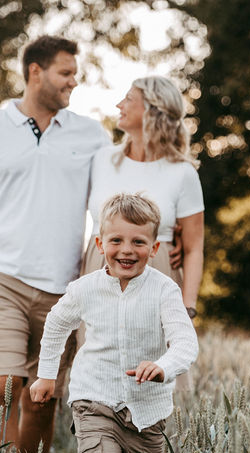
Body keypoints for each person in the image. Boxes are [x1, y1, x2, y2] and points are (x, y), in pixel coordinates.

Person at [0, 35, 109, 453]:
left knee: (40, 402)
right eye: (65, 73)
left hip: (65, 289)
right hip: (1, 278)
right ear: (35, 72)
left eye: (75, 74)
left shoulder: (92, 134)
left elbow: (112, 202)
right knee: (4, 387)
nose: (73, 82)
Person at [29, 193, 199, 453]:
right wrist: (47, 375)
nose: (127, 250)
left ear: (155, 248)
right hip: (94, 398)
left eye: (139, 242)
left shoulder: (164, 290)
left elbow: (185, 343)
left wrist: (162, 366)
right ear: (100, 243)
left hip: (147, 408)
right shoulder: (84, 289)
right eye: (117, 240)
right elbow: (57, 324)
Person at [83, 76, 205, 320]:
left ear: (152, 110)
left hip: (157, 274)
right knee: (94, 355)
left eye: (128, 99)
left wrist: (187, 307)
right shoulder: (101, 160)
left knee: (154, 357)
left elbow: (193, 248)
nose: (119, 105)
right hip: (98, 271)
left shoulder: (182, 173)